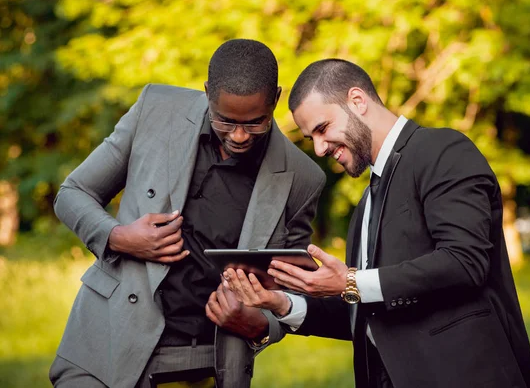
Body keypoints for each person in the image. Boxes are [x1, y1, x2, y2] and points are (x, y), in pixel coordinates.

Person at [224, 58, 530, 388]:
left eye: (322, 129)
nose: (318, 148)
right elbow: (369, 313)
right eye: (310, 138)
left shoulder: (442, 150)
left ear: (357, 101)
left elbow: (465, 262)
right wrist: (283, 302)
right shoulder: (365, 205)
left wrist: (351, 282)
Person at [49, 39, 325, 388]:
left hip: (207, 363)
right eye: (225, 121)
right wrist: (120, 238)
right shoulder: (155, 109)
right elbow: (73, 194)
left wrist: (259, 325)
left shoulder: (302, 177)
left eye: (256, 123)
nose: (239, 136)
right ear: (208, 93)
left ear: (275, 99)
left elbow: (290, 288)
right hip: (106, 342)